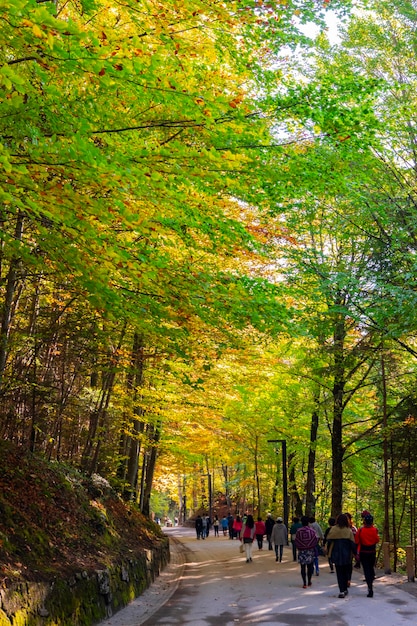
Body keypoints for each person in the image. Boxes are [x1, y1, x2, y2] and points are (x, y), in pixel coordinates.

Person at [326, 513, 357, 598]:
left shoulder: (333, 529)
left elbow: (329, 541)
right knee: (345, 571)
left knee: (339, 572)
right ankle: (345, 587)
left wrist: (328, 553)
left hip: (336, 553)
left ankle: (341, 590)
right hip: (346, 554)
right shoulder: (348, 530)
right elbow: (352, 543)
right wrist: (355, 553)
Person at [355, 513, 380, 598]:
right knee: (370, 567)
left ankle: (370, 587)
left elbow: (357, 541)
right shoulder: (374, 530)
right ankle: (371, 581)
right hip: (372, 552)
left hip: (363, 552)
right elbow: (377, 540)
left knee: (366, 570)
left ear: (364, 521)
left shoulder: (360, 530)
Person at [295, 516, 318, 588]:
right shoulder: (312, 531)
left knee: (302, 567)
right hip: (310, 551)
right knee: (310, 566)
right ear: (308, 522)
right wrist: (310, 545)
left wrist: (300, 546)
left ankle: (304, 583)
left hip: (302, 551)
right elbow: (315, 540)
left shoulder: (298, 531)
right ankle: (309, 581)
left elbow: (296, 541)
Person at [344, 512, 358, 586]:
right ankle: (345, 579)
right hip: (342, 549)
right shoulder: (340, 529)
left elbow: (356, 540)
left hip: (350, 549)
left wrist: (355, 551)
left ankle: (348, 579)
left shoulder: (353, 528)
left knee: (349, 564)